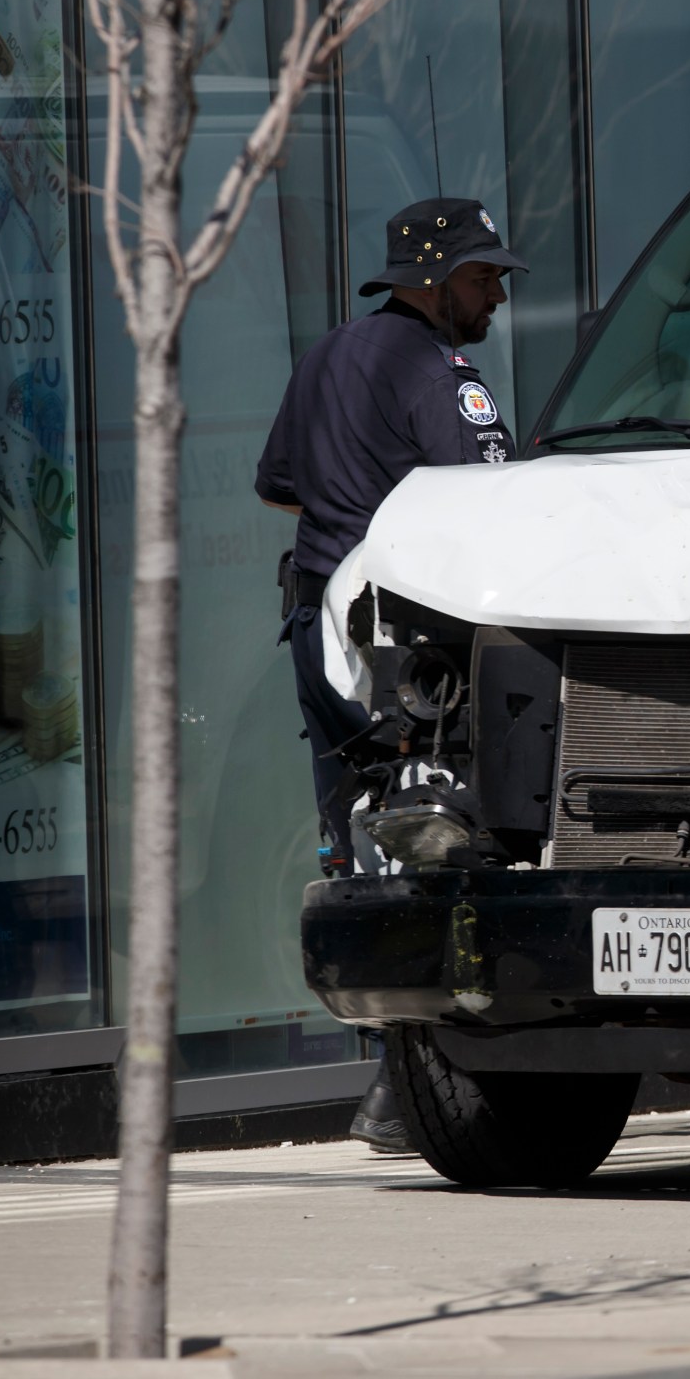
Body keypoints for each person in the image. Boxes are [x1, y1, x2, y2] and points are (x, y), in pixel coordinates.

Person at [255, 197, 527, 1153]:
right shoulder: (444, 374)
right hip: (411, 644)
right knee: (444, 838)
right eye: (482, 275)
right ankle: (414, 1085)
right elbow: (487, 502)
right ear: (431, 281)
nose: (496, 293)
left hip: (320, 627)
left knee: (362, 841)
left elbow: (278, 483)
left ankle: (391, 1078)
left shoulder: (327, 355)